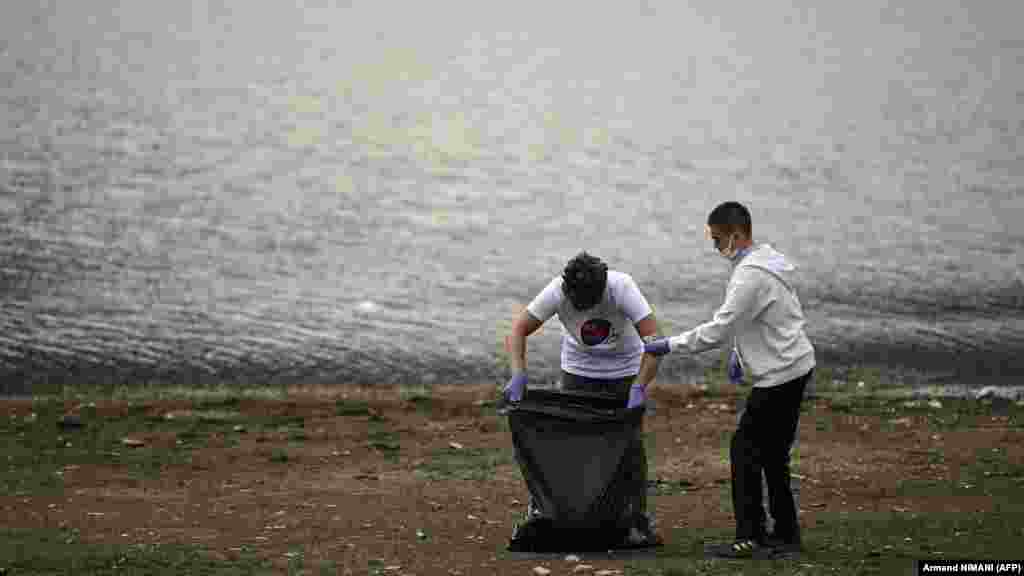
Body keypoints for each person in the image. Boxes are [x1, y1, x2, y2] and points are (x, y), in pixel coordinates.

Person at [644, 201, 815, 558]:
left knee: (744, 451)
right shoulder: (764, 261)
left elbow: (719, 329)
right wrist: (740, 353)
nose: (716, 248)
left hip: (780, 376)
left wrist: (667, 345)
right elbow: (759, 317)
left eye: (719, 240)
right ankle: (786, 535)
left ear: (737, 235)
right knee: (772, 454)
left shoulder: (750, 275)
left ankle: (750, 537)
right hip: (797, 364)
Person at [502, 250, 662, 546]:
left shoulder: (622, 287)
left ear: (602, 289)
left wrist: (639, 386)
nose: (583, 309)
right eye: (578, 303)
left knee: (629, 448)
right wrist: (518, 373)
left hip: (624, 373)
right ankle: (561, 513)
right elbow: (518, 330)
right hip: (578, 373)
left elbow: (655, 342)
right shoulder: (557, 291)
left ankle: (637, 520)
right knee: (570, 446)